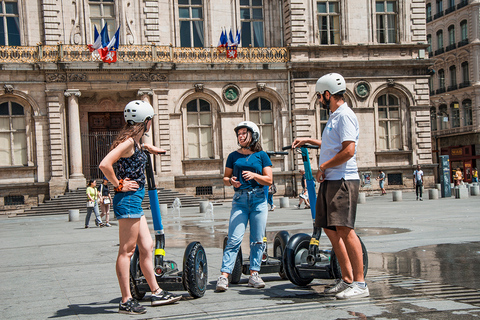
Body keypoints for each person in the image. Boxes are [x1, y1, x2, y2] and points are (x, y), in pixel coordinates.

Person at [99, 100, 181, 315]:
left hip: (135, 199)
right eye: (150, 121)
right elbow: (104, 164)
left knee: (146, 246)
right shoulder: (127, 142)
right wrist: (118, 183)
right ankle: (126, 300)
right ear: (145, 122)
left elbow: (132, 152)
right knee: (127, 251)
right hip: (128, 199)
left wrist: (146, 147)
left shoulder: (134, 143)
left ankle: (156, 292)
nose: (151, 124)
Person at [292, 73, 368, 300]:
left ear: (327, 94)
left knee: (345, 229)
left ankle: (360, 283)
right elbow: (331, 144)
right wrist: (309, 140)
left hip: (342, 180)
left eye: (319, 97)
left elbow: (348, 150)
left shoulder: (345, 115)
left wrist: (323, 165)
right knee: (329, 228)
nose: (319, 101)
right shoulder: (336, 116)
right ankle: (346, 279)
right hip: (331, 179)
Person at [216, 121, 273, 292]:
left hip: (258, 199)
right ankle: (224, 276)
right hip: (240, 200)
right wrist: (231, 181)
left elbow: (269, 179)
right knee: (234, 239)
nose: (240, 136)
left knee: (257, 239)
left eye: (244, 133)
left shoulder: (262, 155)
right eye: (239, 134)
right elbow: (225, 178)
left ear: (253, 135)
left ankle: (254, 274)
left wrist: (255, 175)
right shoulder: (233, 156)